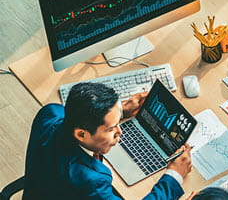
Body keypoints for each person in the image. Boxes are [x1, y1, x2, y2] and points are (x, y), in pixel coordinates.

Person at [23, 82, 193, 199]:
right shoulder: (91, 182)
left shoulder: (51, 113)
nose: (120, 131)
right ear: (81, 134)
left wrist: (120, 112)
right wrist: (174, 176)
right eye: (111, 128)